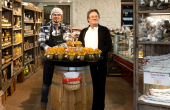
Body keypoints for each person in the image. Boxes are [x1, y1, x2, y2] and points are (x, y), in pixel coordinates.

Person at [78, 9, 112, 110]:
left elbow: (109, 45)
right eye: (92, 16)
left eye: (96, 16)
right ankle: (89, 106)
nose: (94, 18)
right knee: (88, 86)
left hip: (100, 63)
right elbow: (80, 45)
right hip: (86, 64)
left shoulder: (104, 30)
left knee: (100, 87)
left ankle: (100, 108)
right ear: (88, 19)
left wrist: (98, 53)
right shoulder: (84, 31)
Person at [38, 7, 71, 110]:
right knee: (46, 82)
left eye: (58, 15)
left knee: (62, 82)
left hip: (62, 60)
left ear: (61, 16)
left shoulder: (67, 28)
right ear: (51, 16)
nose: (56, 16)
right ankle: (43, 103)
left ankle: (62, 102)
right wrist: (51, 50)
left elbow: (68, 42)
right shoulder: (44, 28)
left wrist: (56, 48)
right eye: (54, 14)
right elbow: (41, 43)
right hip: (49, 58)